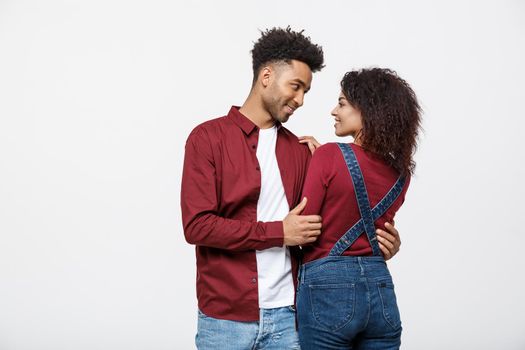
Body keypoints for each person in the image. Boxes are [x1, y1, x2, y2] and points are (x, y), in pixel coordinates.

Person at [181, 27, 402, 349]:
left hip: (291, 317)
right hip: (225, 319)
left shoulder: (303, 152)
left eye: (305, 92)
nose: (299, 100)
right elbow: (197, 226)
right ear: (267, 76)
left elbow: (326, 231)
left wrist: (378, 243)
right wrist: (278, 232)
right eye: (295, 87)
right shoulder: (208, 139)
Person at [296, 68, 422, 349]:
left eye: (341, 103)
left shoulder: (329, 155)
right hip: (381, 292)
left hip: (328, 291)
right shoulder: (401, 174)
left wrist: (321, 163)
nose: (333, 111)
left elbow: (302, 230)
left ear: (367, 110)